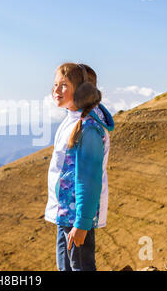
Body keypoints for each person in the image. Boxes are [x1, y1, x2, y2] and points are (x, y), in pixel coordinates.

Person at [44, 62, 115, 271]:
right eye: (55, 84)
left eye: (64, 85)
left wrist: (82, 224)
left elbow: (89, 181)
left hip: (76, 218)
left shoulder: (88, 129)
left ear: (83, 91)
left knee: (80, 267)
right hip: (65, 214)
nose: (56, 90)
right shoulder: (71, 121)